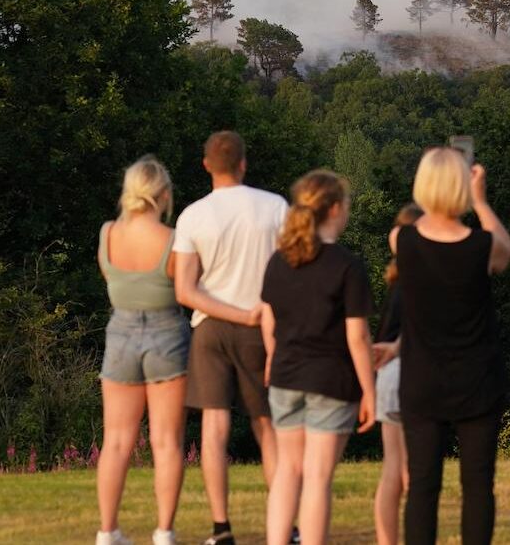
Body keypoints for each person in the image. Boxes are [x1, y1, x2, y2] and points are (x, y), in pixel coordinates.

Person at [392, 148, 510, 545]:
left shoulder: (403, 240)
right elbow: (506, 251)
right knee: (478, 486)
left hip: (422, 379)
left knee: (423, 486)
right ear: (462, 185)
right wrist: (480, 201)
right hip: (477, 378)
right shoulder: (482, 247)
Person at [171, 131, 289, 545]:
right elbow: (292, 272)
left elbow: (185, 291)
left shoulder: (193, 216)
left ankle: (221, 528)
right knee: (267, 427)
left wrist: (231, 312)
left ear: (206, 165)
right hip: (263, 325)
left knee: (214, 426)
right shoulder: (275, 207)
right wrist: (254, 314)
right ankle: (285, 524)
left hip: (210, 328)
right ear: (244, 163)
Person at [260, 170, 378, 545]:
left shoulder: (280, 261)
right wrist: (369, 391)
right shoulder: (347, 266)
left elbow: (267, 317)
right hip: (331, 380)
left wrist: (272, 357)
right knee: (317, 476)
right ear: (336, 209)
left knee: (287, 472)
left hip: (284, 377)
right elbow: (357, 336)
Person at [95, 156, 190, 545]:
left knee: (116, 440)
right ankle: (164, 532)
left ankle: (107, 531)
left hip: (120, 333)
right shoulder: (172, 240)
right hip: (167, 332)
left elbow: (111, 279)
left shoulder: (108, 234)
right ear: (163, 195)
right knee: (166, 441)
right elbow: (184, 287)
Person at [372, 203, 423, 545]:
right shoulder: (423, 277)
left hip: (388, 376)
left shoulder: (398, 279)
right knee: (414, 471)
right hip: (414, 369)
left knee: (394, 468)